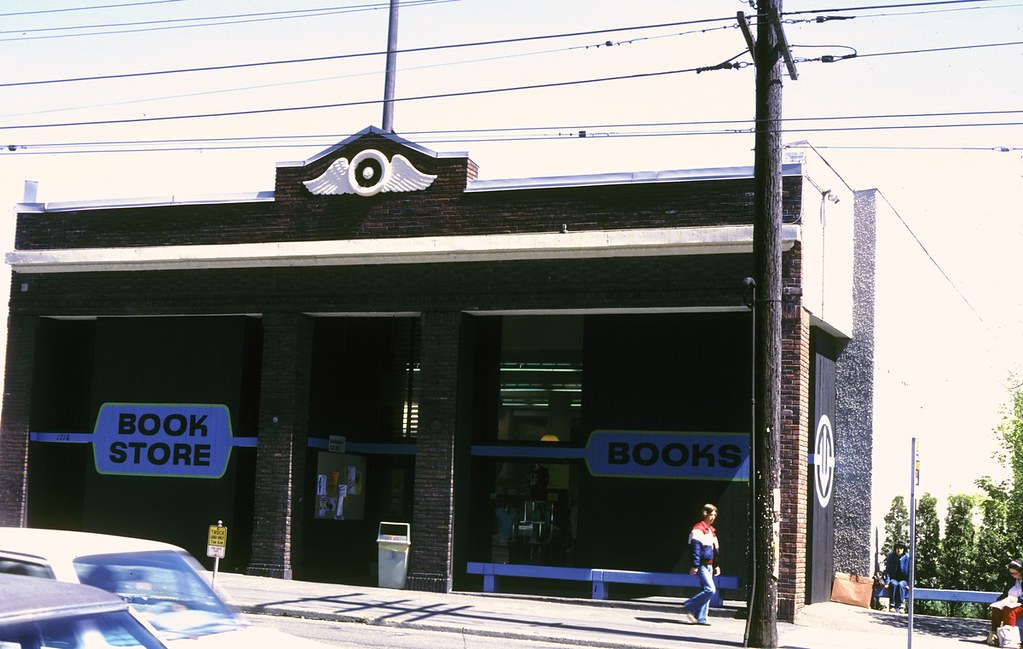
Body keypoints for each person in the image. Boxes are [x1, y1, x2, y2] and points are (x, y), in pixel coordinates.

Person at [681, 503, 720, 626]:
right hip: (702, 565)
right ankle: (689, 605)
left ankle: (701, 618)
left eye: (714, 515)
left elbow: (715, 550)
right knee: (710, 589)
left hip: (709, 564)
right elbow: (695, 549)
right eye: (711, 514)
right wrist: (695, 565)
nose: (713, 517)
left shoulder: (711, 531)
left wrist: (716, 565)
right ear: (705, 514)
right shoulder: (698, 529)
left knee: (706, 590)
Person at [987, 559, 1023, 647]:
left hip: (1020, 604)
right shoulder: (1012, 581)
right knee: (996, 608)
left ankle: (1009, 638)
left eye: (1015, 573)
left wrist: (1017, 600)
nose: (1014, 575)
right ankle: (995, 635)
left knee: (1009, 610)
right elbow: (1005, 593)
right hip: (1012, 603)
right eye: (1012, 573)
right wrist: (998, 602)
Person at [884, 541, 910, 613]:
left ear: (903, 549)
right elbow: (888, 570)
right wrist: (887, 582)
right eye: (897, 548)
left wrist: (909, 584)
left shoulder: (907, 558)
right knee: (893, 584)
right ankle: (892, 605)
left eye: (901, 548)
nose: (899, 550)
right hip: (894, 578)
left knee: (901, 585)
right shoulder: (891, 557)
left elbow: (910, 573)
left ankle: (901, 606)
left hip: (903, 580)